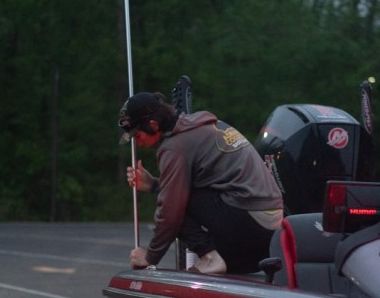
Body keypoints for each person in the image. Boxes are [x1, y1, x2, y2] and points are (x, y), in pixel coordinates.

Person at [120, 91, 284, 274]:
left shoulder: (174, 147)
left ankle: (210, 258)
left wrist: (150, 257)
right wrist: (154, 185)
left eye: (137, 136)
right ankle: (218, 259)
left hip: (250, 225)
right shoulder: (203, 126)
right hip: (270, 233)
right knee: (173, 196)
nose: (138, 143)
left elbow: (170, 212)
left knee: (172, 205)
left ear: (153, 125)